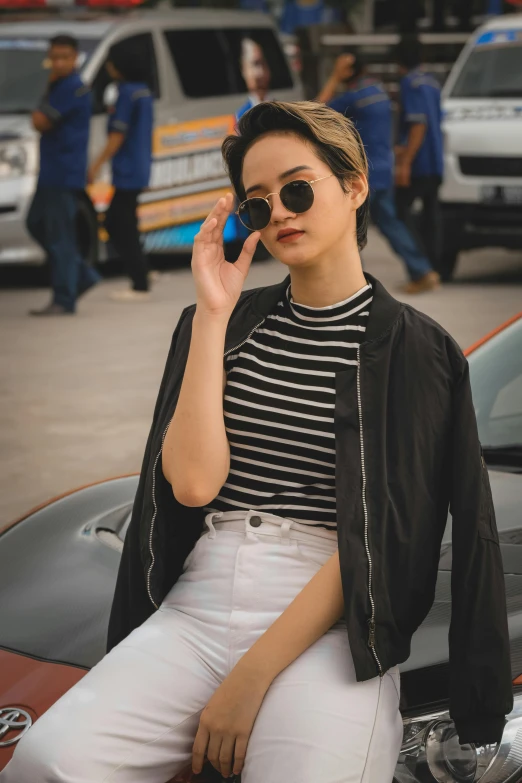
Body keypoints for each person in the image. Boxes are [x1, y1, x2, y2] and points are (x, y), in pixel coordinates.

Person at [3, 101, 512, 783]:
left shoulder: (415, 351)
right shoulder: (223, 323)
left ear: (355, 185)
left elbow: (379, 540)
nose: (280, 213)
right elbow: (189, 485)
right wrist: (212, 314)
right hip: (202, 596)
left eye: (298, 189)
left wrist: (249, 679)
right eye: (257, 203)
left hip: (334, 619)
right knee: (47, 762)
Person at [318, 52, 440, 293]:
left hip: (364, 174)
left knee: (347, 229)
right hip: (384, 169)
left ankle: (353, 286)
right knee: (389, 223)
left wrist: (333, 78)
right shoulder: (379, 92)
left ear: (350, 71)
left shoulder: (355, 97)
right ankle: (422, 270)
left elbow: (316, 109)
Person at [27, 34, 100, 317]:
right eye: (54, 57)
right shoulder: (59, 85)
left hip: (64, 173)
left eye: (64, 57)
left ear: (75, 58)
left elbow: (40, 121)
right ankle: (82, 275)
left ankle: (65, 297)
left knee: (60, 237)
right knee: (35, 223)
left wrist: (44, 89)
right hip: (51, 172)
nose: (58, 62)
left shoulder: (73, 88)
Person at [88, 40, 153, 302]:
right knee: (126, 222)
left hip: (126, 169)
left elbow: (117, 134)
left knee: (118, 223)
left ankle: (139, 282)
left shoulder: (126, 93)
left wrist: (96, 164)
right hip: (139, 166)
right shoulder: (144, 91)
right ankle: (142, 271)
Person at [394, 35, 445, 276]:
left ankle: (421, 264)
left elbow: (418, 125)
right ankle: (436, 265)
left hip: (419, 162)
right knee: (431, 213)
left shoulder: (409, 84)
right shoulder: (433, 83)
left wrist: (405, 163)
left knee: (399, 210)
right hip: (436, 159)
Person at [236, 38, 273, 123]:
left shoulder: (282, 111)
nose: (261, 73)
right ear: (244, 69)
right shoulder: (241, 117)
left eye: (263, 64)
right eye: (255, 64)